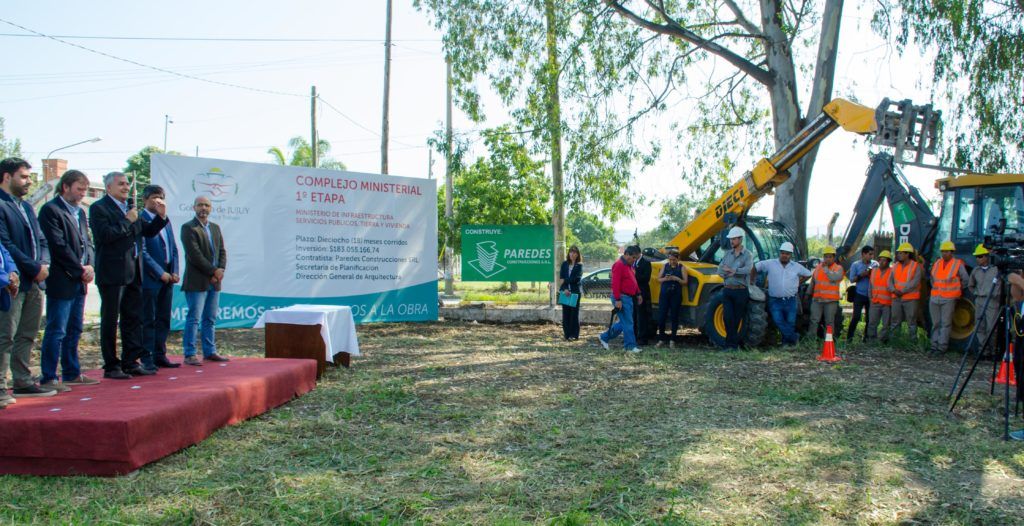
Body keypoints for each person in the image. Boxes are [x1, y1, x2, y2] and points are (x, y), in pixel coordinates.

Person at [90, 171, 168, 379]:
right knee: (110, 319)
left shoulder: (131, 209)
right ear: (108, 188)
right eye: (121, 184)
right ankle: (111, 365)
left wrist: (160, 217)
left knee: (133, 318)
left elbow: (147, 232)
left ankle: (130, 361)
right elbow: (105, 236)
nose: (126, 187)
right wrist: (126, 221)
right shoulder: (99, 208)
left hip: (134, 271)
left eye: (127, 184)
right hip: (113, 272)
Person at [0, 158, 60, 400]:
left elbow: (41, 240)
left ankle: (23, 381)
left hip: (36, 281)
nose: (29, 181)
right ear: (6, 177)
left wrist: (44, 264)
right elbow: (5, 244)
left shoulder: (25, 207)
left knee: (28, 333)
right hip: (12, 282)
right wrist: (33, 267)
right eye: (23, 176)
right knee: (6, 335)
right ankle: (1, 387)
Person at [37, 170, 96, 389]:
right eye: (79, 189)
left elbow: (87, 243)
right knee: (57, 329)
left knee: (74, 329)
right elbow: (58, 245)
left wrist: (90, 265)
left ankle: (72, 372)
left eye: (85, 190)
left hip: (80, 280)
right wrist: (79, 268)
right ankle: (49, 377)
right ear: (65, 187)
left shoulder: (80, 213)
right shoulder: (51, 210)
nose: (83, 194)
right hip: (62, 279)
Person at [181, 196, 229, 365]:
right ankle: (190, 353)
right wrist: (213, 271)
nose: (204, 207)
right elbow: (194, 255)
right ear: (194, 207)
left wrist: (220, 270)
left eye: (207, 205)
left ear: (211, 208)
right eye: (200, 204)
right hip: (197, 281)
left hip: (214, 280)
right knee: (194, 317)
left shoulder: (215, 228)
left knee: (210, 318)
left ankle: (210, 351)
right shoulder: (188, 228)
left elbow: (222, 251)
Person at [140, 185, 181, 369]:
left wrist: (174, 271)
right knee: (149, 318)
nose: (158, 202)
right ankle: (146, 357)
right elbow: (143, 252)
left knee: (164, 318)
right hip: (151, 278)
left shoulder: (166, 219)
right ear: (145, 200)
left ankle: (160, 354)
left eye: (161, 198)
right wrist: (159, 272)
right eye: (155, 198)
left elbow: (172, 247)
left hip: (168, 277)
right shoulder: (140, 219)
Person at [751, 241, 811, 346]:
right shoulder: (770, 263)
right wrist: (752, 281)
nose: (784, 255)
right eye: (783, 253)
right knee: (778, 321)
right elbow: (755, 267)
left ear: (790, 255)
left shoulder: (796, 266)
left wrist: (798, 282)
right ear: (780, 253)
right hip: (775, 300)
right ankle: (794, 337)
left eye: (787, 254)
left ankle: (786, 343)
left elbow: (808, 274)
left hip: (791, 300)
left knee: (790, 323)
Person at [598, 245, 641, 353]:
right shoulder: (619, 265)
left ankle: (604, 337)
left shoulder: (629, 265)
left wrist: (638, 293)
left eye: (635, 258)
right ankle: (630, 347)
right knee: (628, 322)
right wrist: (617, 299)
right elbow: (615, 283)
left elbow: (633, 281)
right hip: (621, 297)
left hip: (628, 297)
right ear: (626, 255)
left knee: (624, 323)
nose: (634, 260)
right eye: (633, 258)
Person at [929, 240, 969, 353]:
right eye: (942, 252)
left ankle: (941, 347)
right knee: (936, 323)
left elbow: (965, 279)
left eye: (946, 252)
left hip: (949, 298)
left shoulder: (957, 264)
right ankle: (933, 346)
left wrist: (958, 291)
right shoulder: (937, 263)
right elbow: (933, 278)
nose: (944, 254)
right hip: (935, 297)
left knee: (945, 324)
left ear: (952, 252)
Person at [717, 227, 752, 349]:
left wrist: (733, 270)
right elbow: (720, 270)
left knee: (737, 319)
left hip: (740, 291)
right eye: (731, 239)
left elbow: (748, 269)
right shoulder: (727, 254)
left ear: (740, 239)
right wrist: (729, 272)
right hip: (728, 289)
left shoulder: (747, 255)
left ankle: (733, 344)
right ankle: (729, 344)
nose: (731, 241)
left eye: (734, 239)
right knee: (727, 318)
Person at [806, 246, 844, 339]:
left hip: (830, 301)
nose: (827, 259)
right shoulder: (818, 267)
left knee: (829, 322)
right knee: (814, 320)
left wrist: (826, 269)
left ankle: (828, 341)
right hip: (817, 300)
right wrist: (808, 293)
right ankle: (811, 340)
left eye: (830, 257)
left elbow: (834, 278)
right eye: (826, 256)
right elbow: (813, 281)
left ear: (834, 257)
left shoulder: (838, 268)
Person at [968, 244, 1000, 351]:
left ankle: (993, 350)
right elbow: (970, 285)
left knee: (991, 327)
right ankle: (983, 350)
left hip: (992, 301)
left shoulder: (996, 270)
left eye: (980, 256)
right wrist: (977, 293)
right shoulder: (975, 271)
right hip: (979, 301)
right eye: (976, 257)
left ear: (987, 256)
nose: (978, 259)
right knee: (979, 326)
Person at [889, 242, 922, 342]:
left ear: (907, 254)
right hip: (896, 298)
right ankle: (895, 341)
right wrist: (894, 290)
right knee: (895, 321)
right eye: (898, 253)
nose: (899, 255)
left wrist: (902, 291)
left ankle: (912, 341)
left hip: (910, 299)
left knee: (911, 321)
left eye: (901, 253)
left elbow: (915, 282)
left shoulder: (916, 266)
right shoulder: (895, 266)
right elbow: (889, 281)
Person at [655, 250, 688, 348]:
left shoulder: (682, 267)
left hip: (676, 295)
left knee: (674, 317)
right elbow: (658, 279)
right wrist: (665, 278)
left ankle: (672, 340)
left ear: (678, 259)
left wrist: (676, 278)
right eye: (670, 259)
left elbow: (685, 282)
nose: (672, 261)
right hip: (664, 294)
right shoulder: (665, 266)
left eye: (674, 259)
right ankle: (661, 339)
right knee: (661, 317)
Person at [846, 246, 876, 342]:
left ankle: (866, 339)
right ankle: (849, 338)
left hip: (871, 295)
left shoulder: (875, 264)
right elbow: (851, 279)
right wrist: (861, 275)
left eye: (872, 254)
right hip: (859, 294)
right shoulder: (856, 265)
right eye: (869, 254)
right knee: (856, 317)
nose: (871, 256)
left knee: (869, 318)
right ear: (863, 254)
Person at [866, 250, 894, 342]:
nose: (881, 262)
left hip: (887, 303)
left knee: (886, 324)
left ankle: (882, 340)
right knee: (872, 323)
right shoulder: (874, 271)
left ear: (888, 262)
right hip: (875, 301)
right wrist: (870, 297)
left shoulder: (892, 272)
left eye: (884, 260)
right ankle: (871, 339)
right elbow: (870, 285)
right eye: (880, 260)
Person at [558, 245, 582, 341]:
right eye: (571, 252)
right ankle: (567, 334)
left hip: (575, 293)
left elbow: (576, 279)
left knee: (574, 314)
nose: (572, 254)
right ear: (568, 253)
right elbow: (561, 278)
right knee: (566, 314)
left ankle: (574, 335)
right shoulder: (564, 264)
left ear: (577, 254)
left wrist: (565, 280)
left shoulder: (579, 265)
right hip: (565, 292)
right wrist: (565, 289)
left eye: (575, 252)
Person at [632, 246, 653, 346]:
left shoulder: (646, 263)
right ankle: (633, 336)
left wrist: (635, 275)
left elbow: (646, 278)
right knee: (633, 315)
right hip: (633, 292)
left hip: (642, 292)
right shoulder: (632, 263)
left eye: (634, 254)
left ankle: (643, 338)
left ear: (638, 253)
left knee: (642, 316)